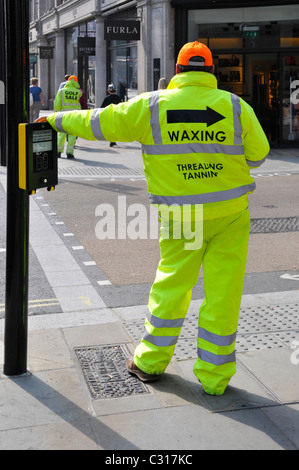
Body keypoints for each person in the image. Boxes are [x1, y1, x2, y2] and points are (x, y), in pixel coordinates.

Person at [45, 41, 270, 396]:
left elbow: (98, 123)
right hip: (230, 215)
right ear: (211, 72)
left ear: (178, 71)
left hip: (185, 218)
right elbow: (258, 156)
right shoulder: (235, 106)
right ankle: (214, 378)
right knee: (224, 294)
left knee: (172, 287)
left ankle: (150, 362)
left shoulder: (152, 105)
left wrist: (54, 119)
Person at [53, 75, 82, 158]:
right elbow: (79, 104)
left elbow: (57, 104)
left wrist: (57, 112)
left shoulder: (61, 91)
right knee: (72, 134)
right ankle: (70, 152)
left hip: (63, 115)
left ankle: (58, 151)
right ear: (76, 82)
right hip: (74, 115)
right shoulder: (79, 92)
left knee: (61, 133)